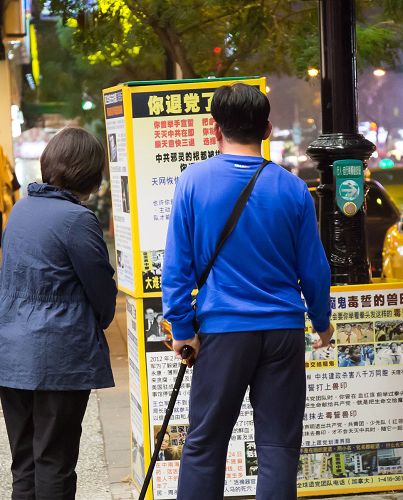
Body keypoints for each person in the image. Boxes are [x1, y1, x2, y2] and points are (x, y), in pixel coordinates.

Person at [162, 83, 333, 500]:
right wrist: (322, 321)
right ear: (268, 129)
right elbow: (314, 269)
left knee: (205, 445)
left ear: (213, 128)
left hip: (223, 332)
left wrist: (182, 329)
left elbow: (177, 269)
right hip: (282, 332)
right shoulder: (293, 188)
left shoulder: (194, 182)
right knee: (278, 447)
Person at [0, 127, 117, 500]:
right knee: (55, 462)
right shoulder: (77, 220)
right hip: (59, 358)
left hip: (11, 353)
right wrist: (94, 321)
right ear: (91, 172)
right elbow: (101, 292)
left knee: (25, 463)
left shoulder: (21, 210)